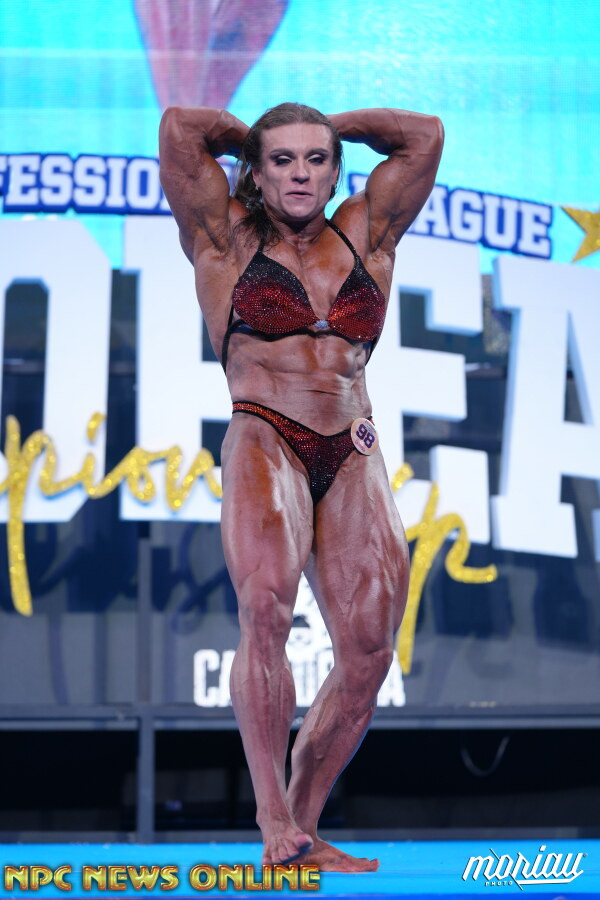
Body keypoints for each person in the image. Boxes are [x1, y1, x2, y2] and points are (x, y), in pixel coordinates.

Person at [159, 101, 443, 872]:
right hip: (265, 433)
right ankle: (271, 815)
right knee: (265, 610)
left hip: (352, 444)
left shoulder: (366, 232)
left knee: (369, 652)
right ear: (256, 171)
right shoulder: (224, 237)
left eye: (316, 160)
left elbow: (424, 136)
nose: (300, 174)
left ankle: (305, 830)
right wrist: (254, 137)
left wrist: (330, 124)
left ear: (335, 170)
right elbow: (181, 127)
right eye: (281, 160)